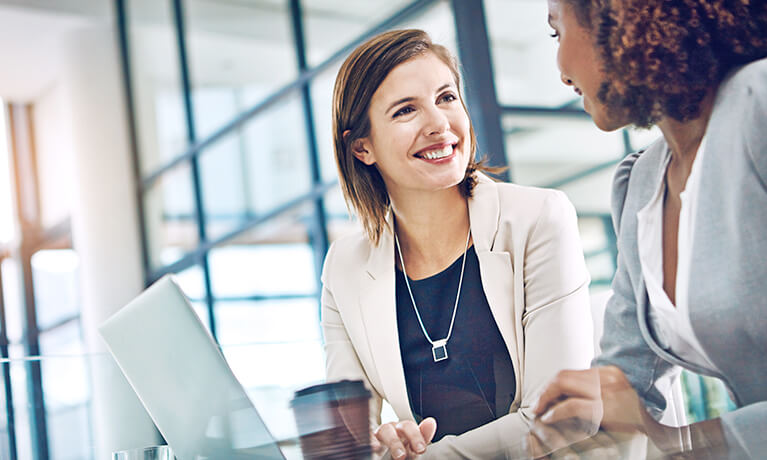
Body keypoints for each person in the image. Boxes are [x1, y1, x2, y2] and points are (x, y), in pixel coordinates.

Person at [321, 29, 594, 459]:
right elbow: (345, 441)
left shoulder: (538, 218)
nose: (439, 124)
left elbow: (564, 418)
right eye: (406, 110)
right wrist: (383, 447)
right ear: (362, 148)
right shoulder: (345, 268)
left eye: (446, 98)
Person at [529, 0, 767, 458]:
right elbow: (624, 381)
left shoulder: (758, 105)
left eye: (557, 34)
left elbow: (662, 440)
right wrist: (580, 427)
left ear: (614, 18)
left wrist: (676, 443)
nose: (560, 71)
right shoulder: (641, 182)